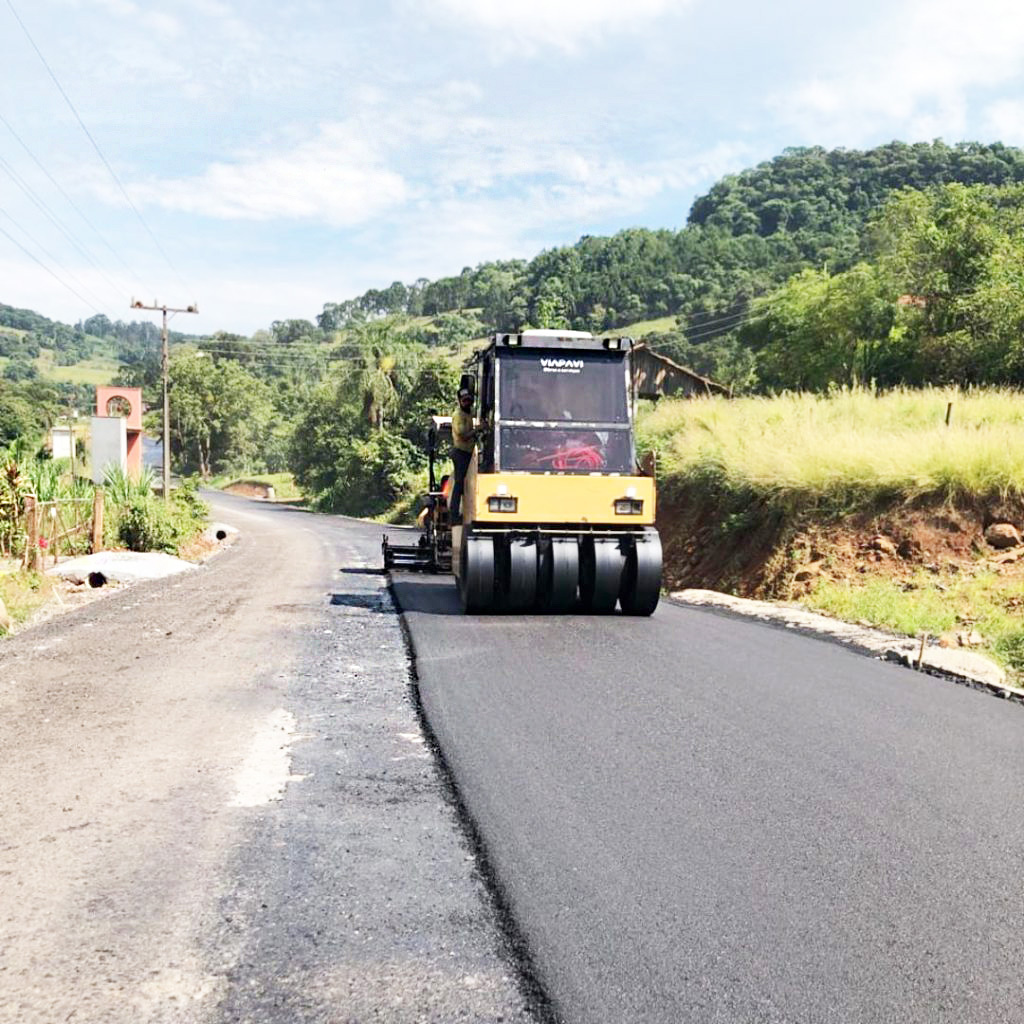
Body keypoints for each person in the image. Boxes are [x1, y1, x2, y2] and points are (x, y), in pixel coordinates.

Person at [449, 387, 476, 523]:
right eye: (464, 400)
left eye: (469, 400)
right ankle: (454, 515)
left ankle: (466, 511)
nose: (467, 403)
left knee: (468, 483)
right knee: (459, 483)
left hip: (468, 452)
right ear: (460, 401)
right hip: (460, 452)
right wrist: (477, 430)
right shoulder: (458, 415)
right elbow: (463, 436)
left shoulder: (469, 413)